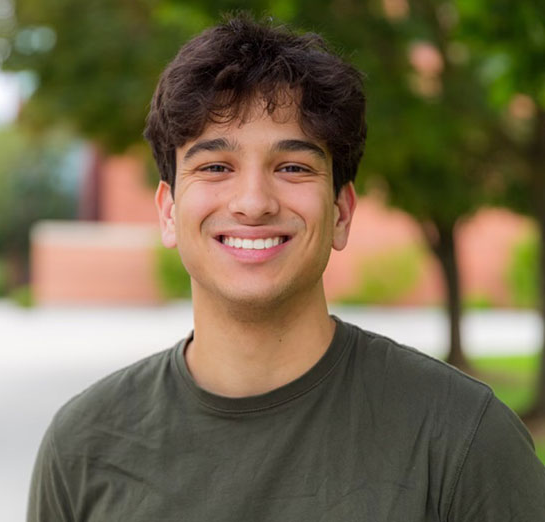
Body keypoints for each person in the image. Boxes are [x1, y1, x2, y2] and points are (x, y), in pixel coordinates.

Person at [28, 14, 545, 522]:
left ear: (341, 211)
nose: (253, 203)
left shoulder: (463, 439)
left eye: (293, 167)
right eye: (215, 167)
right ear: (168, 210)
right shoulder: (82, 447)